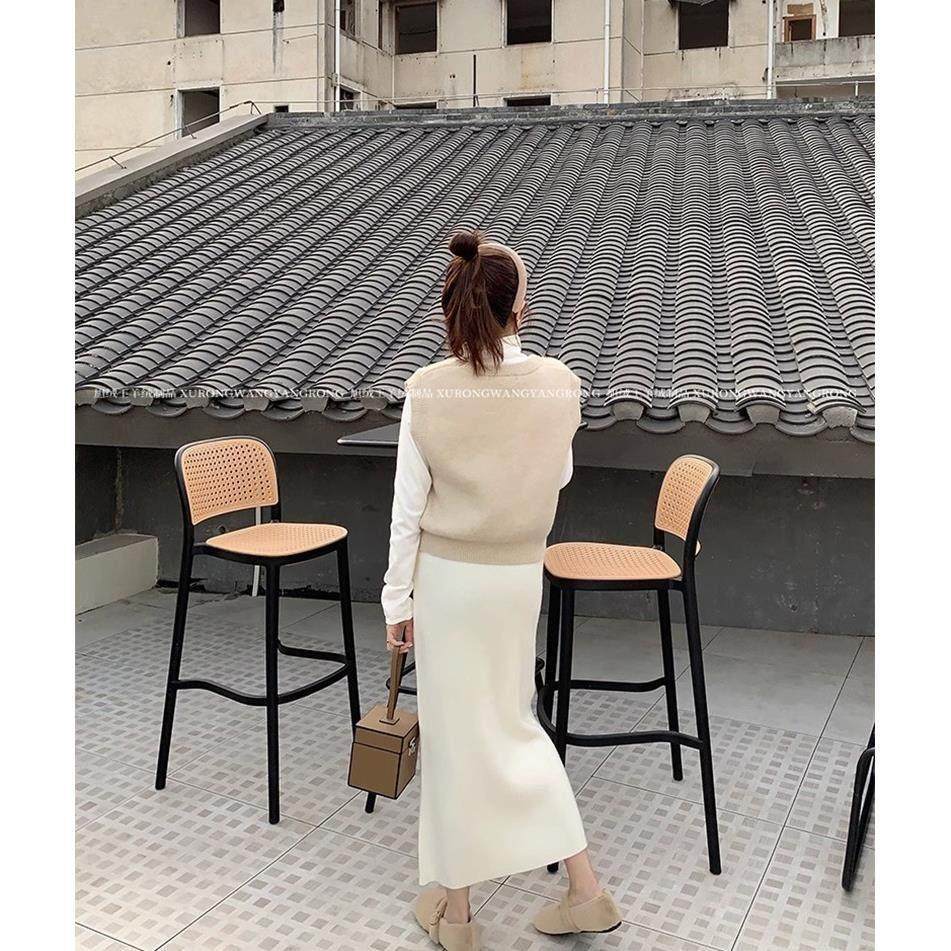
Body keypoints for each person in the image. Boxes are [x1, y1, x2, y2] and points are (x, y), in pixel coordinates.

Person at [381, 229, 622, 950]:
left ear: (451, 308)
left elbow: (407, 510)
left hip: (448, 583)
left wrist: (397, 601)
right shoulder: (559, 383)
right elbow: (559, 477)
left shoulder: (427, 390)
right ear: (520, 307)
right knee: (516, 724)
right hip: (518, 577)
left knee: (455, 741)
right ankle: (585, 890)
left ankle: (458, 916)